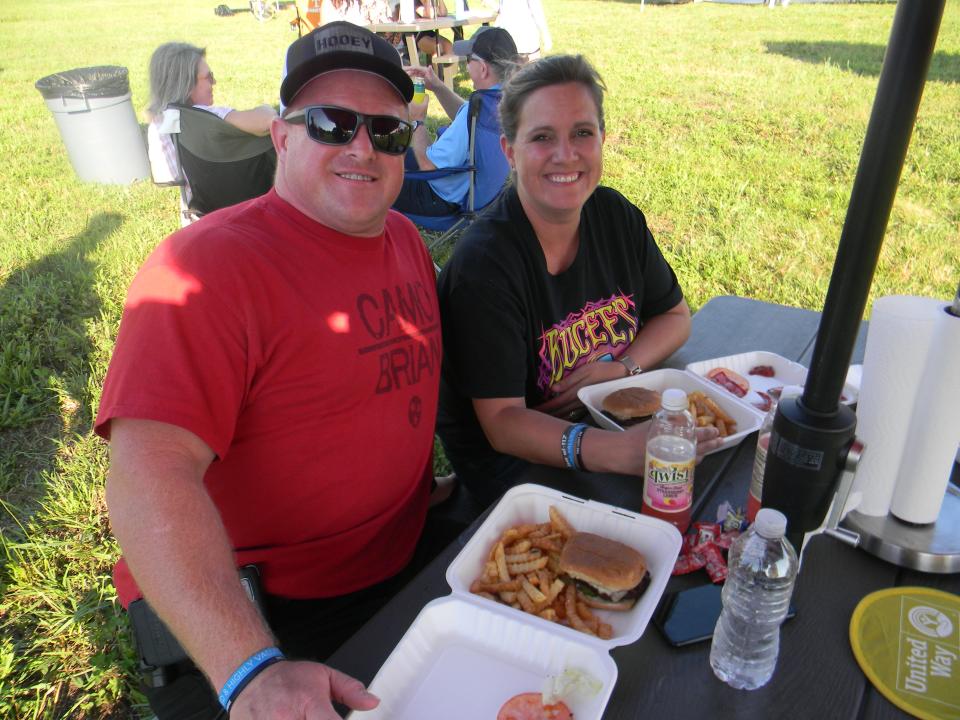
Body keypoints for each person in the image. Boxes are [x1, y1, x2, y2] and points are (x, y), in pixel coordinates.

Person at [99, 22, 447, 719]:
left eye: (386, 131)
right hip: (266, 617)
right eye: (331, 123)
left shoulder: (404, 239)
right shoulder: (204, 269)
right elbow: (146, 473)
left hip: (407, 560)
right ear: (282, 136)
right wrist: (252, 669)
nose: (361, 147)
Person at [436, 54, 722, 508]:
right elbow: (503, 421)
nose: (565, 154)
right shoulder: (485, 266)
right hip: (522, 475)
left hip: (611, 430)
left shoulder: (615, 216)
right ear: (509, 151)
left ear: (602, 139)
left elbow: (674, 316)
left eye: (582, 133)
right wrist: (617, 452)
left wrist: (624, 368)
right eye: (542, 137)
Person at [393, 26, 519, 217]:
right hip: (479, 194)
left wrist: (417, 121)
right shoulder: (506, 101)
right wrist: (437, 86)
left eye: (469, 60)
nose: (466, 66)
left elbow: (428, 167)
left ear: (483, 69)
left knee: (375, 172)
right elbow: (469, 118)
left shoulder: (480, 107)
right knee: (389, 151)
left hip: (441, 199)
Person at [146, 43, 277, 193]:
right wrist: (267, 108)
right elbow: (267, 122)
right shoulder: (208, 117)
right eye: (209, 77)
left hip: (199, 212)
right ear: (187, 84)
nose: (214, 82)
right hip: (246, 202)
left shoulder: (157, 126)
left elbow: (166, 176)